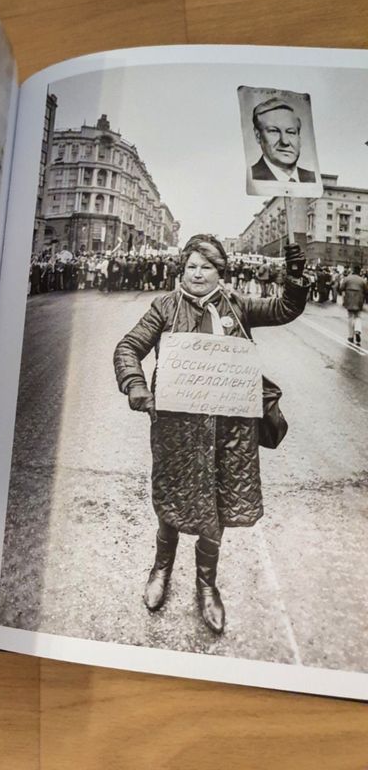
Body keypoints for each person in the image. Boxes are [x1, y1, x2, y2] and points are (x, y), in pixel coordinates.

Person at [113, 234, 307, 635]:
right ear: (181, 270)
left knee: (214, 510)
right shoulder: (165, 306)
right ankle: (161, 570)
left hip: (228, 434)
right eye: (191, 267)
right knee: (172, 502)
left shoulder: (236, 305)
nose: (197, 274)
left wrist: (295, 275)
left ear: (220, 272)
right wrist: (135, 384)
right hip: (177, 432)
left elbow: (286, 307)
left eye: (206, 267)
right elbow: (128, 347)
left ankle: (206, 586)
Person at [250, 98, 316, 183]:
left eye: (291, 132)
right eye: (274, 131)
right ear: (258, 136)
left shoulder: (313, 179)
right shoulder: (249, 177)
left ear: (299, 139)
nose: (285, 141)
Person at [340, 264, 367, 345]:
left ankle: (351, 336)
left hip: (349, 299)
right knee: (358, 316)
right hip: (359, 299)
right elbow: (366, 290)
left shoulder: (347, 278)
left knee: (350, 317)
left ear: (353, 270)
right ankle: (358, 330)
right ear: (359, 272)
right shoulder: (362, 280)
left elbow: (341, 288)